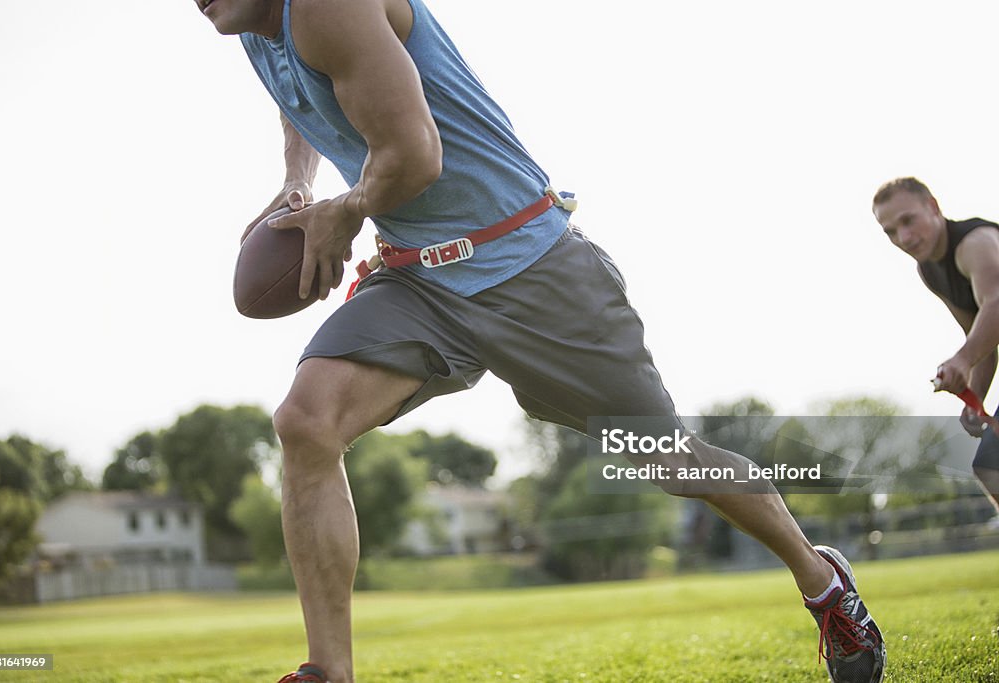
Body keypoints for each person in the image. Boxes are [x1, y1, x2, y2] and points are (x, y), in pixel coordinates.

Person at [193, 1, 885, 681]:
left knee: (672, 461)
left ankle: (823, 582)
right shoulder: (259, 31)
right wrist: (297, 181)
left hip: (530, 266)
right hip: (420, 281)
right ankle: (328, 671)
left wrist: (343, 209)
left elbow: (414, 154)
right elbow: (301, 94)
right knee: (305, 423)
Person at [872, 177, 999, 514]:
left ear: (932, 207)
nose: (904, 237)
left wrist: (961, 359)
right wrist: (976, 398)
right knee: (991, 466)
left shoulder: (977, 243)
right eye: (890, 232)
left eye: (908, 220)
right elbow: (980, 337)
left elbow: (997, 305)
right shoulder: (929, 269)